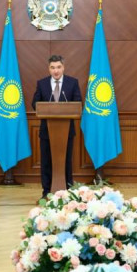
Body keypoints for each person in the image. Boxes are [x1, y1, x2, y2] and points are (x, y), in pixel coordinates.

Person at [31, 55, 82, 200]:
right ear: (49, 69)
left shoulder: (72, 83)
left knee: (66, 162)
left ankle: (68, 192)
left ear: (63, 67)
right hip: (47, 132)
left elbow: (78, 103)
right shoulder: (42, 83)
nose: (56, 71)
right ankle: (46, 192)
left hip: (66, 132)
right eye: (52, 67)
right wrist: (48, 107)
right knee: (46, 162)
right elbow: (35, 103)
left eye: (58, 67)